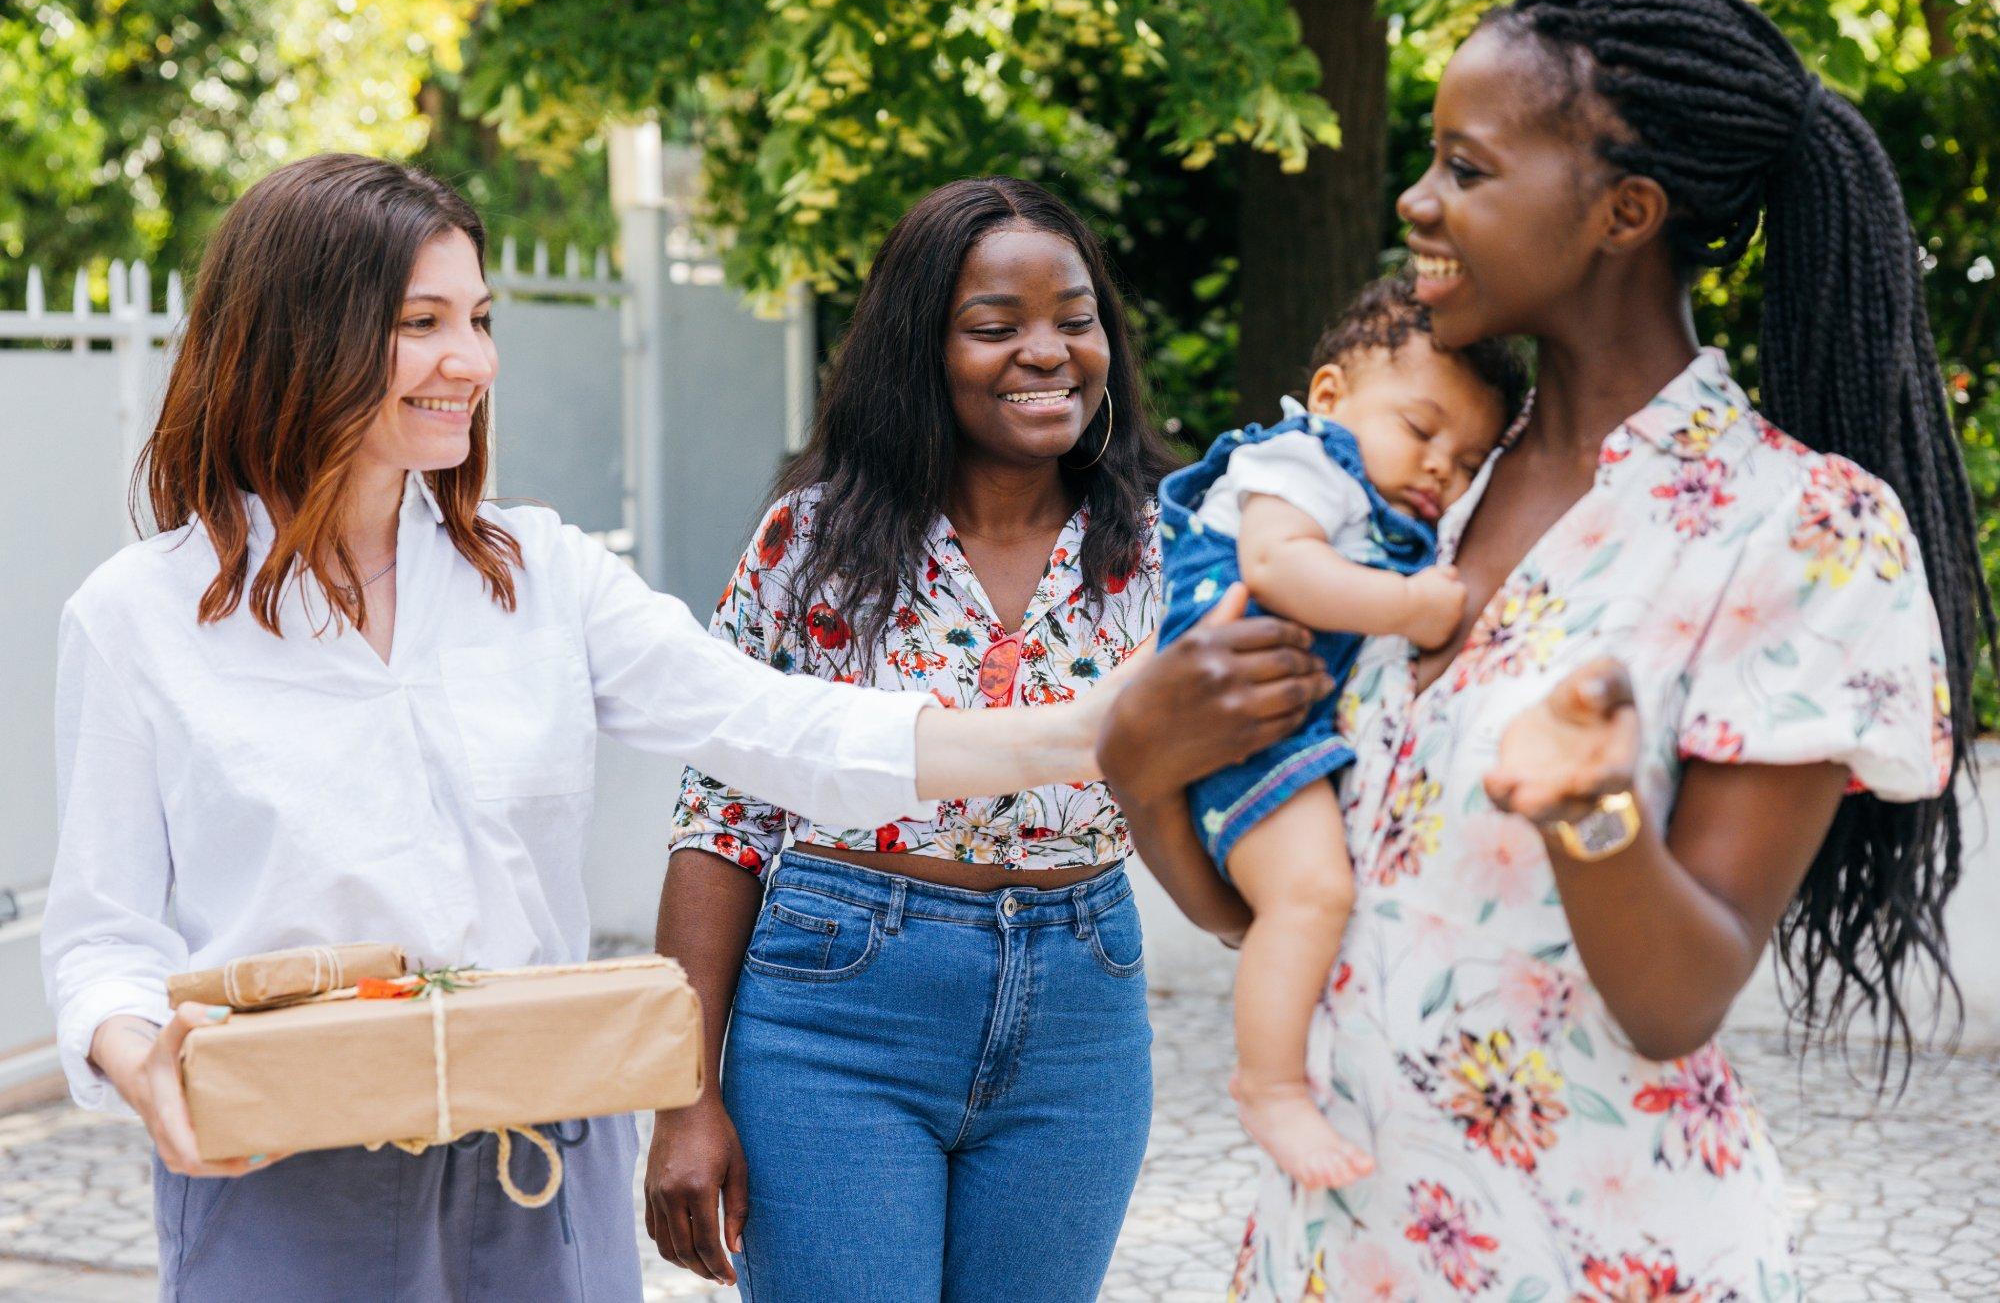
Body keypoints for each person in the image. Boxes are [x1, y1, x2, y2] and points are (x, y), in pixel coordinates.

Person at [40, 155, 1146, 1302]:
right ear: (296, 333)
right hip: (283, 1156)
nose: (471, 361)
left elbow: (780, 725)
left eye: (477, 317)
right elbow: (101, 936)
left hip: (535, 1152)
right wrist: (141, 1062)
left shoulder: (541, 574)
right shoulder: (139, 616)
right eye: (422, 323)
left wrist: (1083, 731)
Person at [1099, 0, 1986, 1296]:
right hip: (1336, 1246)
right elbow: (1272, 912)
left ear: (1623, 213)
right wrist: (1139, 763)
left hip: (1595, 1253)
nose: (1415, 201)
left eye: (1465, 166)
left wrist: (1592, 812)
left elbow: (1676, 999)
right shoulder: (1411, 494)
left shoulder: (1796, 528)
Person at [642, 177, 1323, 1302]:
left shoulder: (1177, 550)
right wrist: (682, 1094)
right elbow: (723, 815)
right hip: (836, 1009)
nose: (1046, 351)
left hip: (1080, 1007)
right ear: (922, 348)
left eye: (1074, 317)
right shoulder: (810, 542)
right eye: (994, 327)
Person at [1155, 276, 1525, 1190]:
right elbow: (1278, 567)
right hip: (1240, 718)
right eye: (1422, 428)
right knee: (1313, 893)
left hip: (1288, 720)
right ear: (1330, 397)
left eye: (1471, 458)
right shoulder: (1300, 460)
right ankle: (1268, 1084)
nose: (1443, 467)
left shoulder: (1387, 503)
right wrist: (1412, 606)